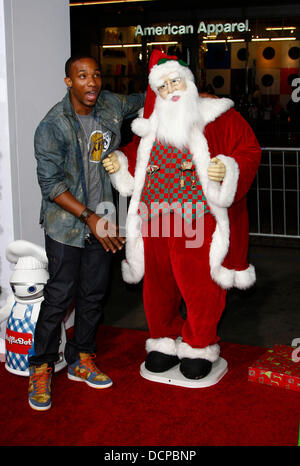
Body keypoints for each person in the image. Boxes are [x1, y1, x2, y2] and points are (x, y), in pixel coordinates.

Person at [103, 50, 261, 382]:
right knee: (157, 284)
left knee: (199, 284)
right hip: (155, 217)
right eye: (163, 86)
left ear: (188, 82)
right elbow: (136, 152)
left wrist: (227, 167)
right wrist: (121, 161)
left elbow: (247, 149)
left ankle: (199, 345)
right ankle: (162, 340)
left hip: (197, 219)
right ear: (156, 92)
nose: (171, 90)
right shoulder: (152, 123)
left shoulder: (218, 116)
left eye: (176, 81)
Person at [28, 55, 144, 411]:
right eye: (82, 76)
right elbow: (51, 185)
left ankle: (83, 358)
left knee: (94, 294)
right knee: (60, 297)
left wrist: (187, 89)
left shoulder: (109, 103)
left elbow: (145, 98)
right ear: (68, 82)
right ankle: (42, 366)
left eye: (95, 75)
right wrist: (90, 217)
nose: (92, 82)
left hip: (104, 220)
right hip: (67, 227)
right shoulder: (52, 125)